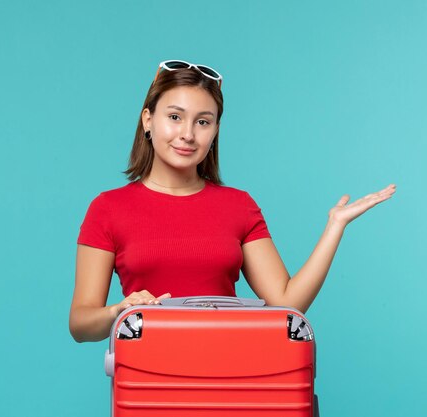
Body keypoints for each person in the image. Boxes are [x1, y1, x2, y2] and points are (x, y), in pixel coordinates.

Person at [69, 60, 396, 343]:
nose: (187, 134)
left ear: (214, 132)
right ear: (148, 120)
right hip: (148, 377)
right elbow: (81, 324)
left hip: (233, 372)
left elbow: (286, 303)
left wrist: (334, 226)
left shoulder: (238, 205)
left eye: (203, 121)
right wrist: (119, 310)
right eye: (175, 117)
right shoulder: (108, 209)